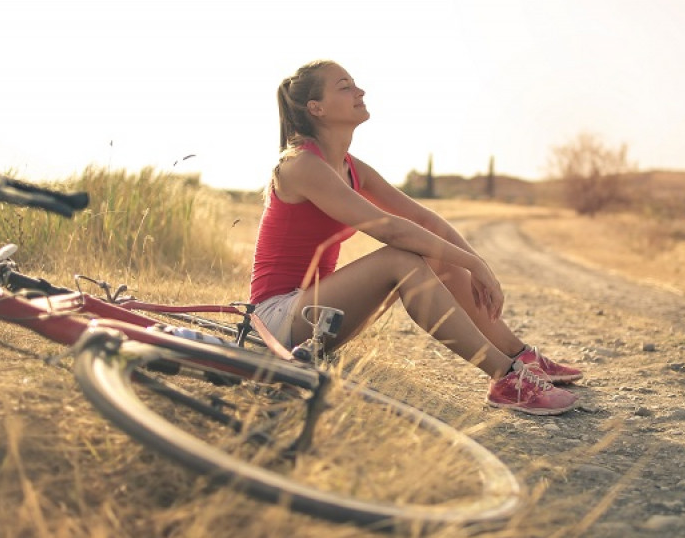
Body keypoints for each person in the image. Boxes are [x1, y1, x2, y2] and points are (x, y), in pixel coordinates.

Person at [249, 59, 582, 416]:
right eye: (344, 86)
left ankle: (520, 357)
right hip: (275, 320)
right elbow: (389, 227)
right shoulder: (300, 165)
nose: (359, 91)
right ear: (316, 108)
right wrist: (472, 263)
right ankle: (505, 377)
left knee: (439, 256)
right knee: (401, 258)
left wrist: (476, 264)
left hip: (318, 319)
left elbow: (422, 217)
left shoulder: (350, 167)